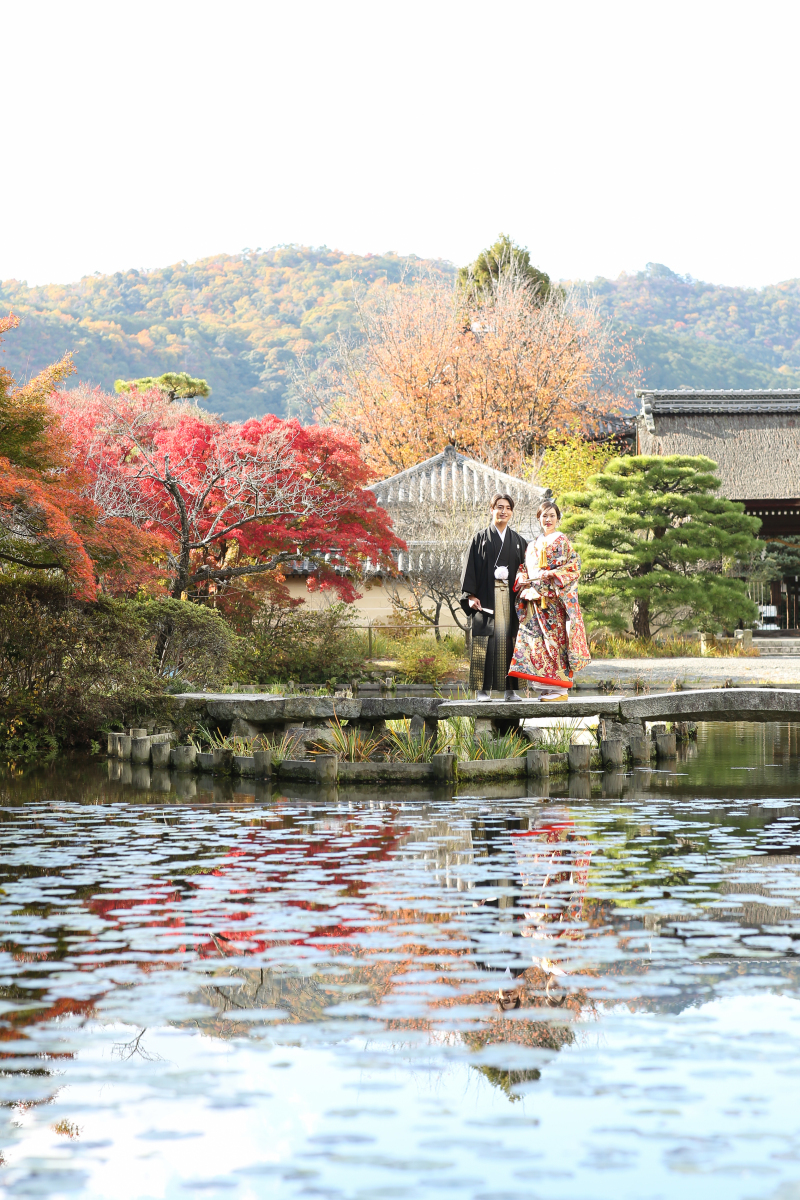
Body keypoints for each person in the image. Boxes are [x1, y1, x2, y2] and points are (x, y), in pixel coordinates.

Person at [507, 500, 591, 700]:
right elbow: (523, 568)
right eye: (544, 515)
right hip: (534, 600)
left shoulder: (562, 541)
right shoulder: (532, 545)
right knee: (537, 644)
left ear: (558, 519)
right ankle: (546, 687)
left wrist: (553, 574)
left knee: (555, 643)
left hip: (553, 601)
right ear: (538, 518)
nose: (548, 519)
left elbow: (574, 566)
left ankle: (561, 689)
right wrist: (521, 578)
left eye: (552, 515)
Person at [460, 493, 528, 701]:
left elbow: (525, 570)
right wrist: (470, 595)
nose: (503, 511)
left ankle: (510, 691)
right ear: (491, 510)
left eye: (507, 508)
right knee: (485, 642)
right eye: (499, 507)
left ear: (512, 512)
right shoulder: (479, 539)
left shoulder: (519, 541)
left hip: (510, 599)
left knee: (510, 642)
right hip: (485, 599)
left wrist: (525, 585)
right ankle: (482, 691)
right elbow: (470, 568)